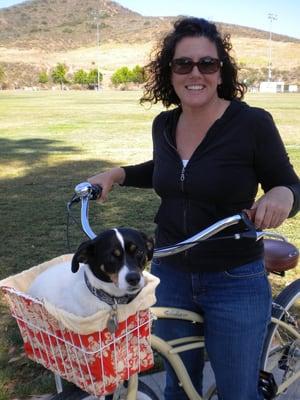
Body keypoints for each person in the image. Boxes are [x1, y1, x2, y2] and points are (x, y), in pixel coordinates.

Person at [88, 17, 300, 400]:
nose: (195, 72)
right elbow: (171, 171)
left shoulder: (251, 123)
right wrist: (116, 174)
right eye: (183, 64)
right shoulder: (164, 124)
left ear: (222, 71)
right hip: (170, 274)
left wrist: (283, 195)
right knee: (178, 387)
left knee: (238, 392)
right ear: (170, 73)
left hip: (232, 277)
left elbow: (290, 184)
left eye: (208, 63)